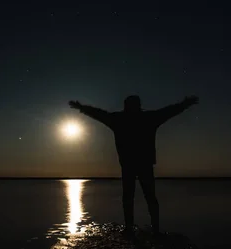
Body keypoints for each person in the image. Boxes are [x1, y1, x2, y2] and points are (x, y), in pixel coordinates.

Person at [68, 95, 199, 237]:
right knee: (141, 197)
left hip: (135, 164)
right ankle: (146, 229)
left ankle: (138, 228)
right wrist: (186, 103)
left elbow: (99, 114)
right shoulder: (139, 118)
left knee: (138, 197)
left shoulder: (124, 119)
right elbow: (169, 111)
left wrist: (81, 107)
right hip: (137, 164)